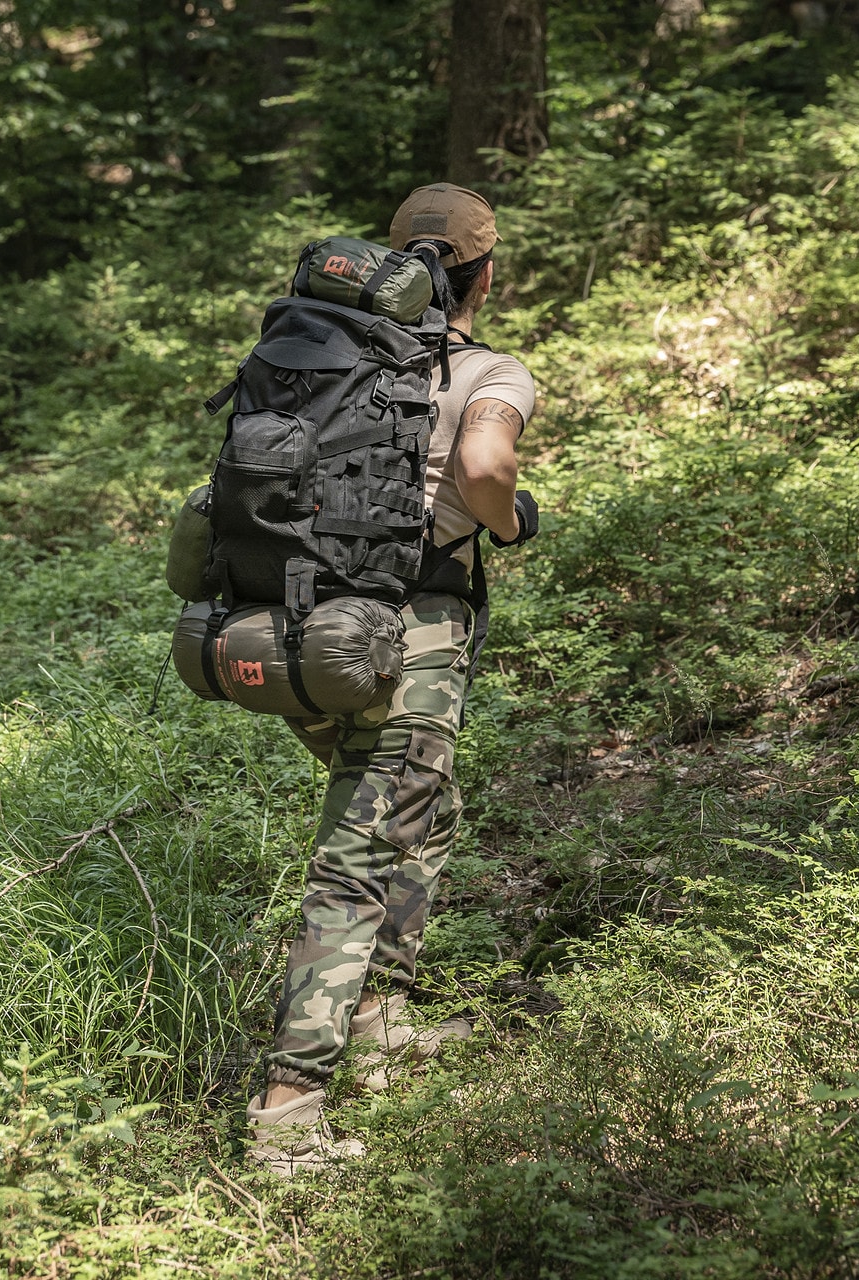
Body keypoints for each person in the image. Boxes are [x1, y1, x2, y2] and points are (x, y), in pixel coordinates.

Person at [246, 182, 539, 1175]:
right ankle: (288, 1123)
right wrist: (508, 520)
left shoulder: (331, 355)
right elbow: (488, 464)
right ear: (484, 274)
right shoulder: (490, 369)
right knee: (356, 864)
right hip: (405, 639)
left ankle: (376, 1031)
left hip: (301, 632)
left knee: (425, 809)